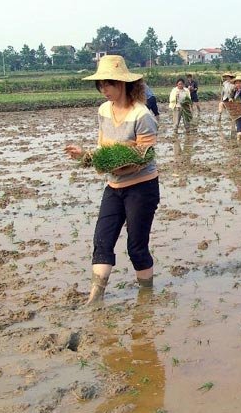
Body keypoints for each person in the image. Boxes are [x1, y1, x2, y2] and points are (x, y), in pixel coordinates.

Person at [64, 55, 160, 305]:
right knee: (102, 240)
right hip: (114, 185)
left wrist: (123, 160)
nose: (104, 90)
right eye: (101, 85)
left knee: (136, 247)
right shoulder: (103, 110)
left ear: (123, 84)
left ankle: (146, 298)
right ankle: (95, 298)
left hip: (142, 187)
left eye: (109, 84)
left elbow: (145, 154)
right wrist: (85, 156)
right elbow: (102, 148)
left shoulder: (142, 114)